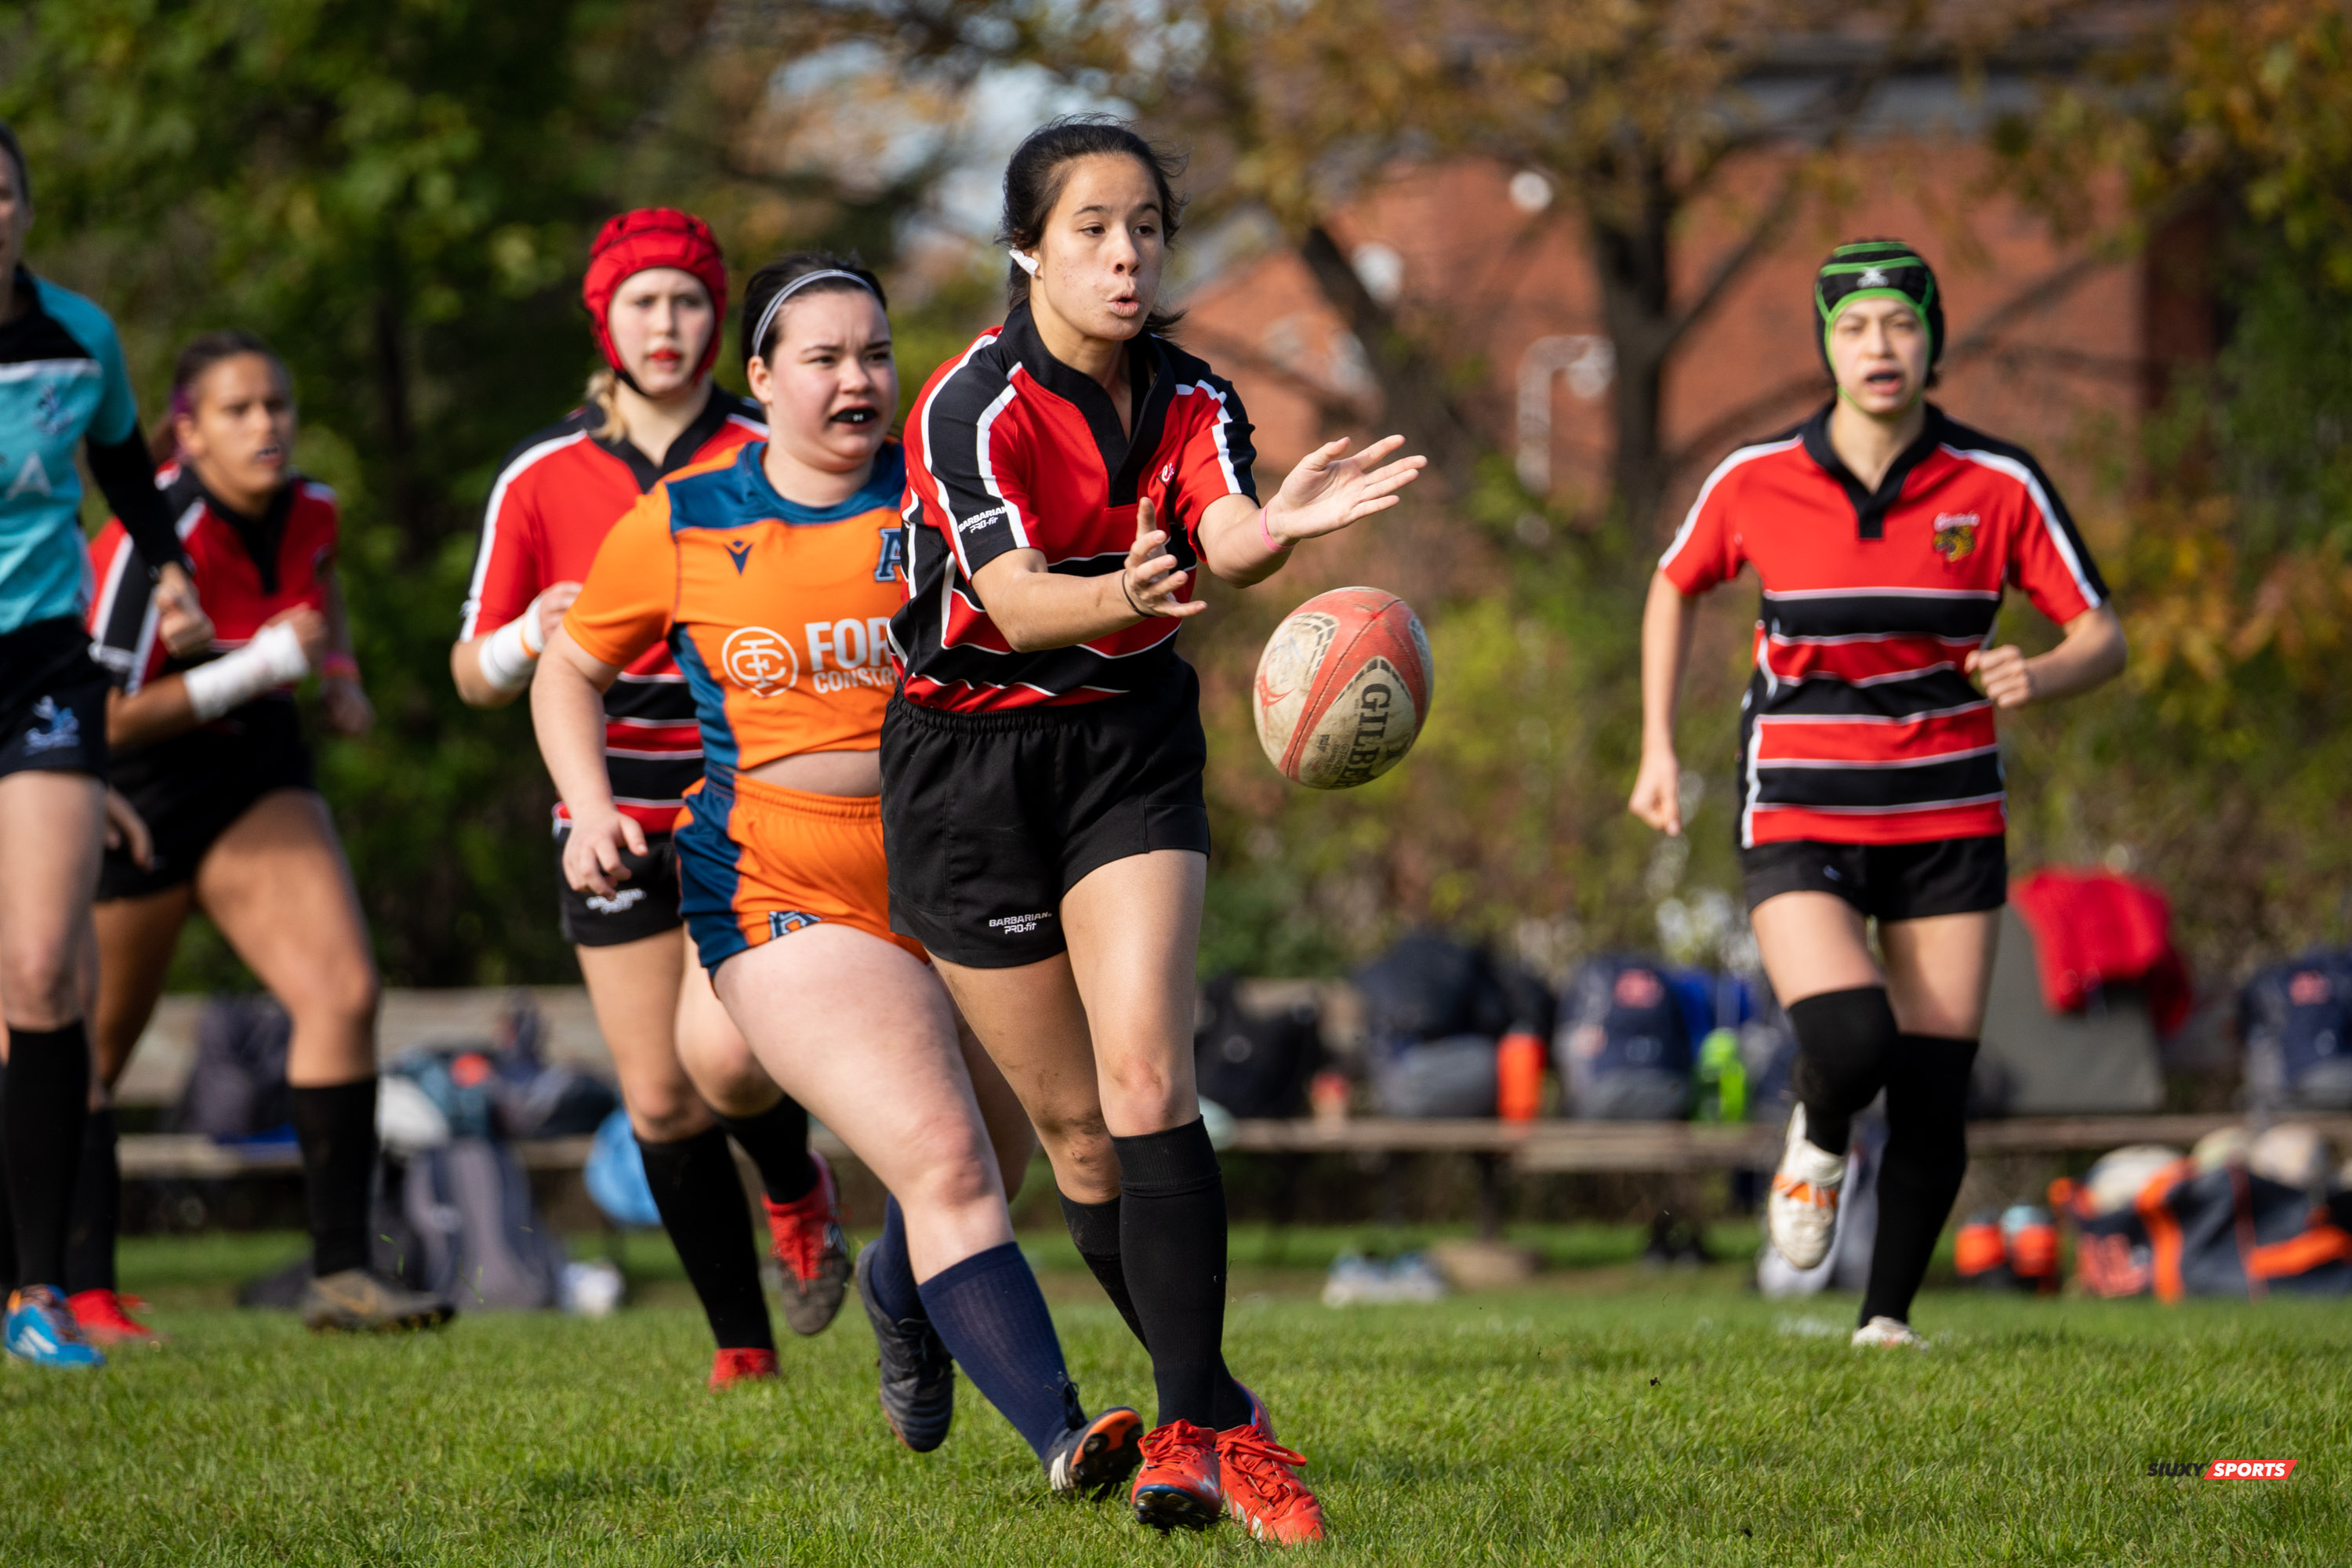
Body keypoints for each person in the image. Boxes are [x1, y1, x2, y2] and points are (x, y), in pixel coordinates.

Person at [887, 118, 1425, 1544]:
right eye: (1091, 230)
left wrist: (1281, 531)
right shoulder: (967, 406)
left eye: (1146, 229)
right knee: (1072, 1140)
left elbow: (1224, 535)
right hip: (966, 766)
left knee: (1145, 1074)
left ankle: (1199, 1440)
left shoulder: (1194, 395)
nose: (1126, 256)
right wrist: (1138, 586)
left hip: (1126, 742)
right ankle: (1222, 1404)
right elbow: (1009, 604)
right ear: (1029, 247)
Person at [534, 249, 1145, 1494]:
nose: (859, 379)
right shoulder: (689, 519)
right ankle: (1066, 1439)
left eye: (875, 353)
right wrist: (591, 806)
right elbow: (568, 669)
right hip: (777, 878)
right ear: (759, 378)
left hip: (962, 863)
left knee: (998, 1164)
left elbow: (1063, 614)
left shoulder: (942, 497)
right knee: (945, 1157)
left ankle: (893, 1286)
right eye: (823, 358)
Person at [1631, 239, 2126, 1347]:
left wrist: (2040, 670)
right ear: (1826, 347)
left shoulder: (1998, 484)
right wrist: (1657, 748)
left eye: (1901, 323)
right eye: (1854, 327)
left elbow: (2106, 633)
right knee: (1852, 1042)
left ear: (1931, 338)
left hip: (1949, 811)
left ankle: (1885, 1320)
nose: (1880, 346)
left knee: (1934, 1083)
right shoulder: (1754, 478)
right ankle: (1815, 1142)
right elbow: (1674, 585)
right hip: (1799, 804)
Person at [452, 209, 846, 1385]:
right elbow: (471, 674)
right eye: (642, 303)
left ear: (720, 319)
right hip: (605, 805)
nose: (667, 325)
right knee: (662, 1097)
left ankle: (794, 1184)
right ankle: (743, 1347)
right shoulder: (541, 474)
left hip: (754, 785)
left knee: (739, 1057)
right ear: (604, 320)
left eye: (687, 301)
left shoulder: (767, 442)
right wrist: (529, 637)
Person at [74, 330, 453, 1335]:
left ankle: (343, 1271)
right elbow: (99, 717)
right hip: (135, 792)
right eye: (238, 410)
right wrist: (252, 667)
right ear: (189, 430)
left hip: (255, 779)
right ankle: (73, 1286)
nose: (266, 426)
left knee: (343, 992)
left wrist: (338, 679)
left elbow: (320, 600)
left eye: (277, 406)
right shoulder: (144, 529)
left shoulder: (314, 507)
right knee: (80, 1052)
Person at [0, 122, 216, 1370]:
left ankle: (38, 1292)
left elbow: (129, 475)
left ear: (25, 207)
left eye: (2, 194)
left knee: (40, 974)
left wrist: (177, 581)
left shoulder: (78, 335)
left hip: (39, 666)